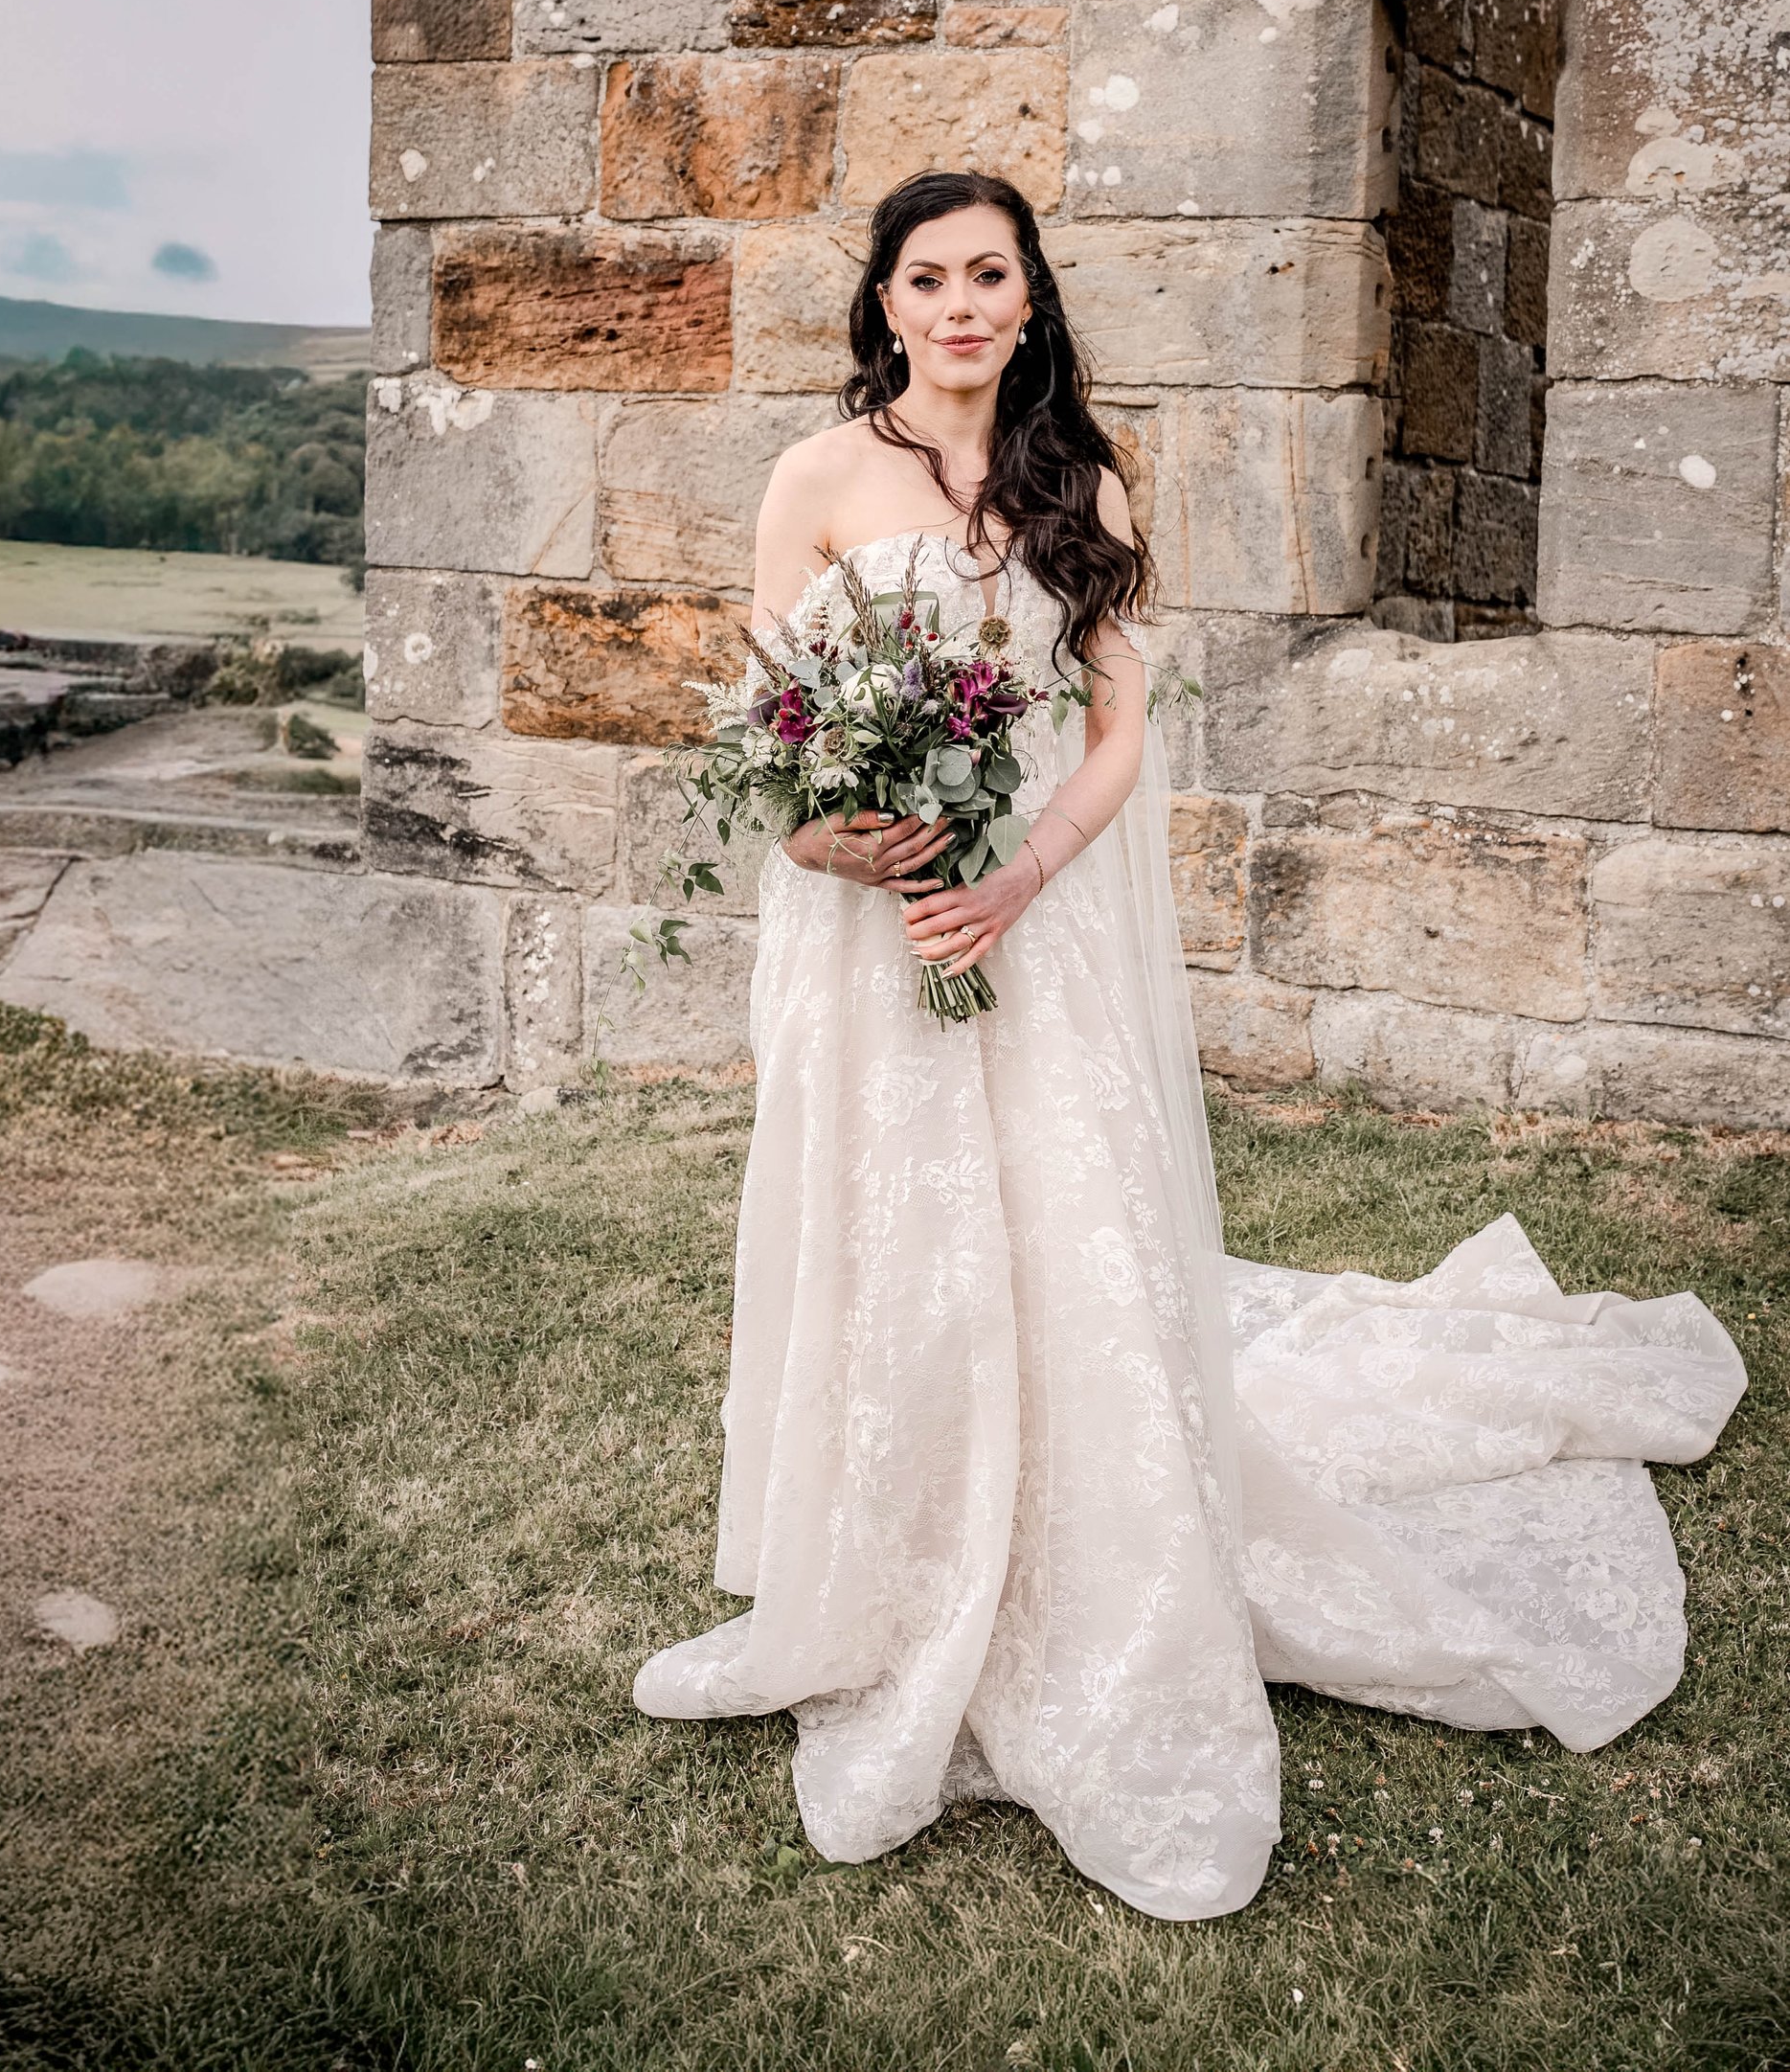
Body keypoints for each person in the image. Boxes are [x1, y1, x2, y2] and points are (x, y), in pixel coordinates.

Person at [633, 169, 1747, 1921]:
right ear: (885, 301)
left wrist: (1021, 876)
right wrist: (837, 839)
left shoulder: (1080, 475)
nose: (961, 306)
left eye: (991, 273)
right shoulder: (817, 477)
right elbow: (773, 733)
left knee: (1075, 1239)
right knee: (904, 1246)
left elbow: (1117, 725)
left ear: (1028, 297)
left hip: (1034, 923)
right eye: (929, 277)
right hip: (878, 939)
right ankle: (892, 1575)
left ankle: (1100, 1583)